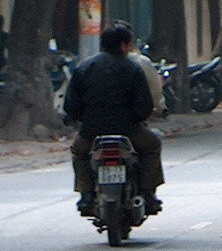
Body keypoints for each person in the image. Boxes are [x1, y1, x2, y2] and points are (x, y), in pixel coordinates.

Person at [63, 21, 164, 215]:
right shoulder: (133, 69)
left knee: (79, 152)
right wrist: (136, 119)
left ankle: (86, 194)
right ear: (124, 44)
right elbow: (144, 106)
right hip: (129, 131)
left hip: (91, 131)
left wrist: (82, 119)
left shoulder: (84, 68)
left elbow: (71, 106)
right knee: (152, 146)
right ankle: (148, 193)